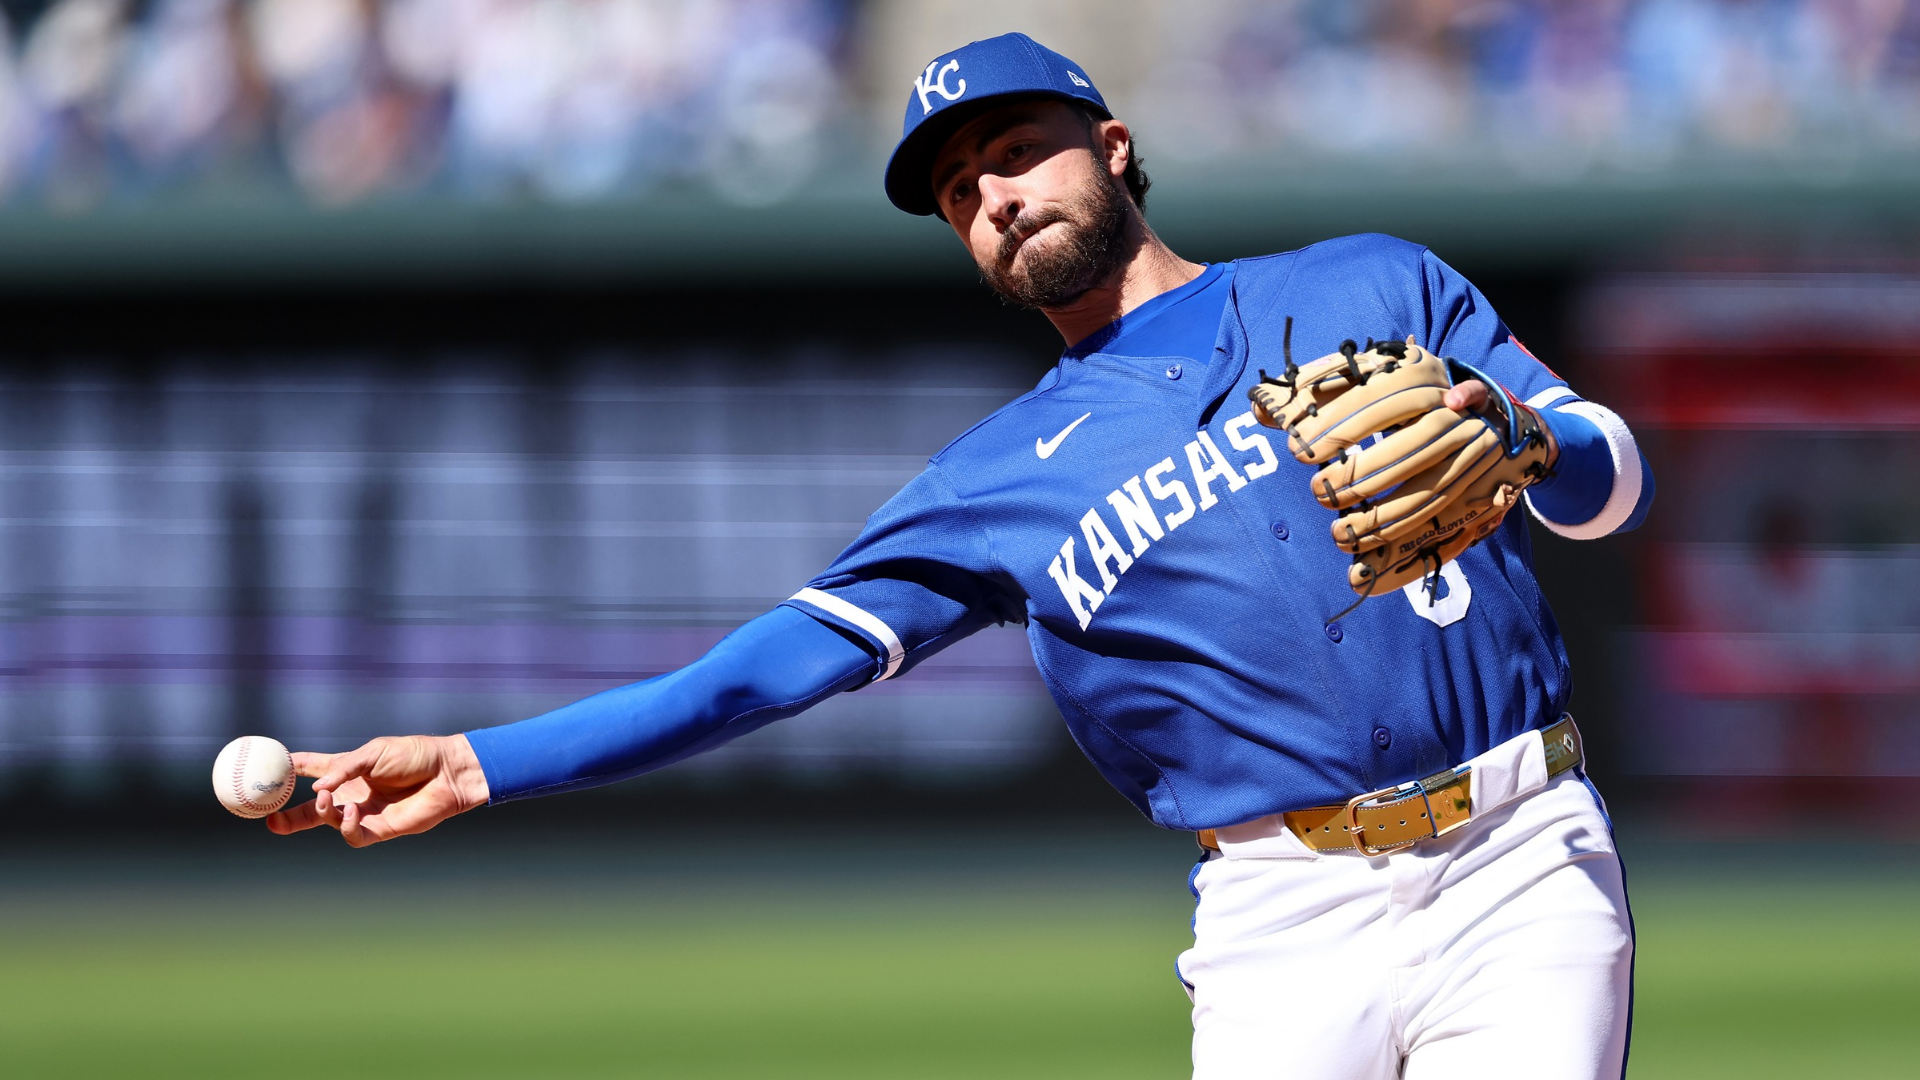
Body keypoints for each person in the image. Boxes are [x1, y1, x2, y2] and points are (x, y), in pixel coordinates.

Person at [268, 33, 1654, 1080]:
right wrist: (477, 761)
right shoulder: (990, 484)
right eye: (953, 187)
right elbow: (753, 678)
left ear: (1112, 146)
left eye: (1013, 152)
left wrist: (1530, 435)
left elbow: (1610, 479)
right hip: (1281, 912)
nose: (988, 195)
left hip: (1516, 856)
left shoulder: (1365, 279)